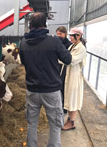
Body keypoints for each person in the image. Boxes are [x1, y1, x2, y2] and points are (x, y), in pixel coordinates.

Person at [19, 12, 72, 147]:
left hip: (32, 90)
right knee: (54, 124)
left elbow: (23, 62)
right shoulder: (53, 41)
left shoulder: (23, 42)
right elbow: (68, 59)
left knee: (32, 123)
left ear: (30, 25)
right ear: (45, 25)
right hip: (51, 90)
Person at [62, 27, 87, 131]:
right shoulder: (72, 46)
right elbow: (65, 59)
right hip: (69, 75)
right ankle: (69, 120)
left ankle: (71, 122)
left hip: (74, 76)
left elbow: (72, 60)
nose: (71, 37)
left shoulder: (81, 49)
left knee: (73, 100)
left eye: (72, 36)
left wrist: (61, 56)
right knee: (69, 98)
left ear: (79, 36)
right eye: (70, 36)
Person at [56, 26, 72, 114]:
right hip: (57, 67)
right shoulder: (56, 43)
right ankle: (59, 104)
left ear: (65, 34)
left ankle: (64, 106)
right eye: (57, 33)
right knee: (58, 85)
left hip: (65, 68)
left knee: (64, 87)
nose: (59, 35)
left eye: (61, 34)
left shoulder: (69, 45)